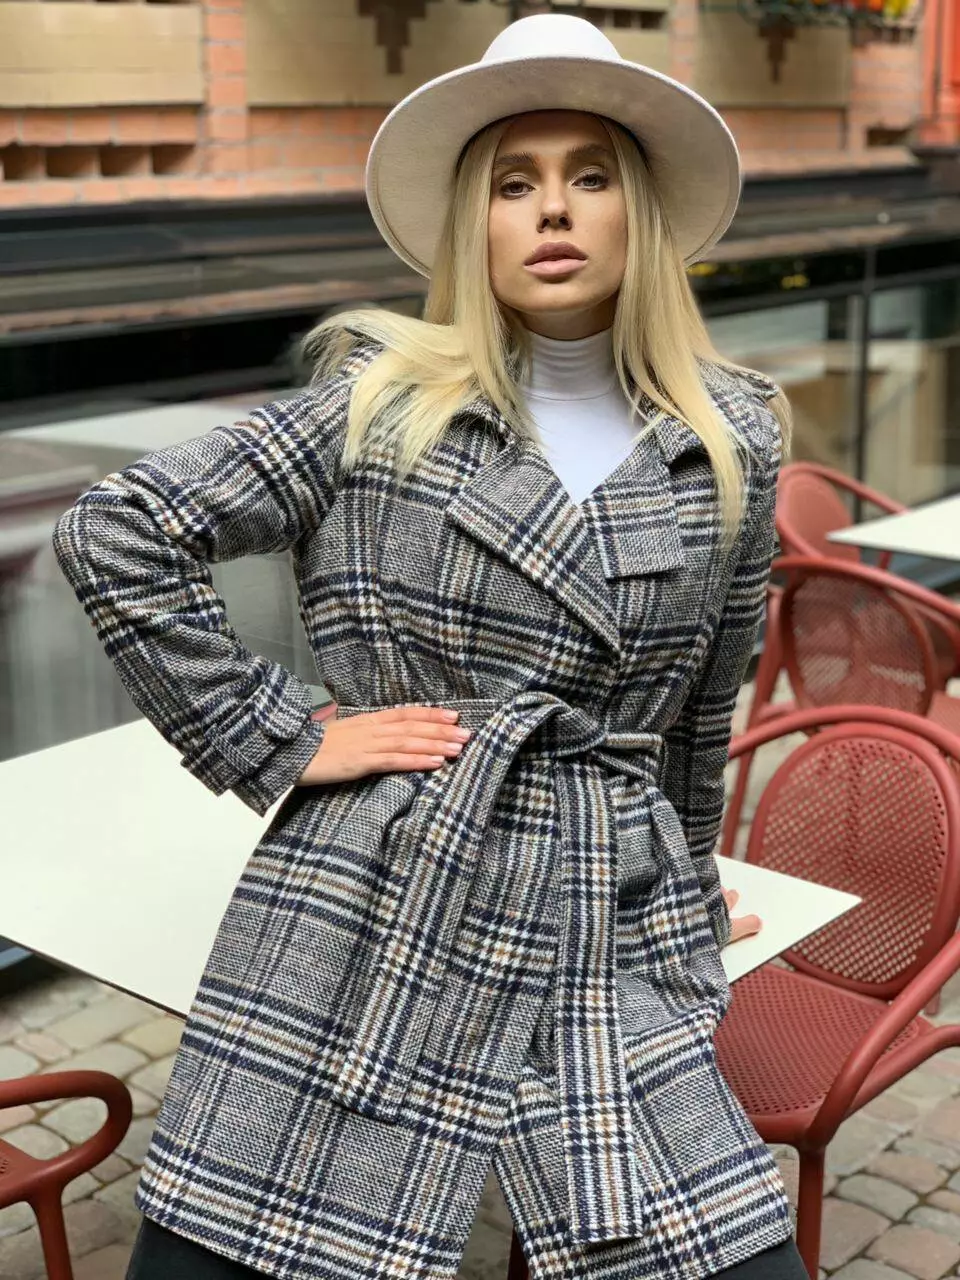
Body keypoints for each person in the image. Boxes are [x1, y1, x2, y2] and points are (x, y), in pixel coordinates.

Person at [52, 13, 806, 1280]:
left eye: (589, 176)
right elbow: (119, 529)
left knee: (718, 1253)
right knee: (232, 1250)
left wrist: (682, 882)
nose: (552, 208)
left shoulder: (730, 437)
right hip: (375, 885)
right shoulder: (377, 402)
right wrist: (283, 733)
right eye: (514, 183)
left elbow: (698, 713)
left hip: (602, 905)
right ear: (475, 222)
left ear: (638, 212)